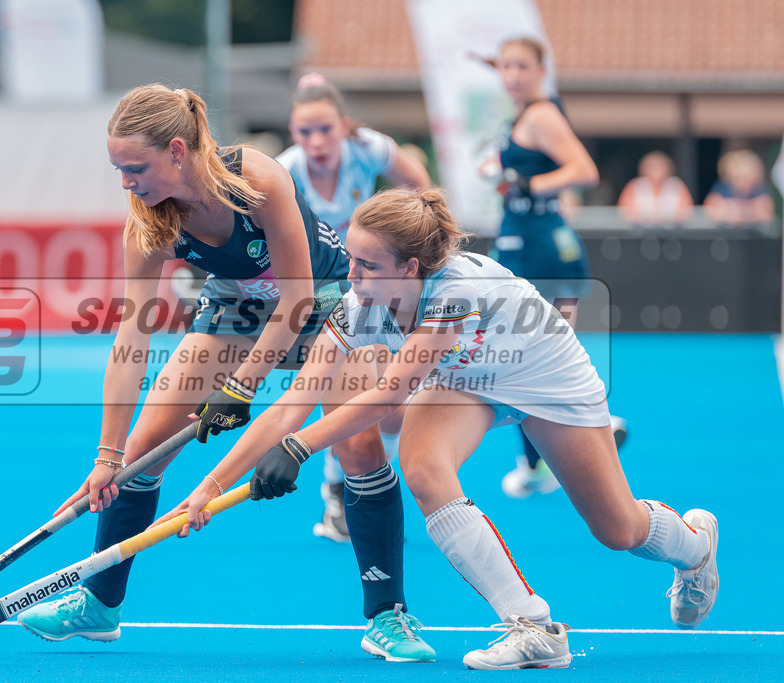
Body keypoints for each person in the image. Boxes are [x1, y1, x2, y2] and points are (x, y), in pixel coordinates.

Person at [162, 187, 719, 670]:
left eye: (367, 266)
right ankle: (534, 627)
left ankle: (696, 546)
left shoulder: (453, 291)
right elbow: (294, 401)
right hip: (464, 380)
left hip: (543, 373)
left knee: (618, 530)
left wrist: (299, 447)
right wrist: (209, 487)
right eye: (351, 260)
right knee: (424, 467)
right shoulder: (359, 303)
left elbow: (390, 393)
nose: (351, 278)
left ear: (410, 268)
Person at [16, 84, 434, 663]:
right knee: (143, 449)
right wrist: (107, 456)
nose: (126, 183)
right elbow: (131, 340)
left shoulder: (257, 181)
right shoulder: (148, 224)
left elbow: (297, 300)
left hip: (324, 299)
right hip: (235, 307)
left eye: (136, 168)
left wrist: (242, 385)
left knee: (358, 445)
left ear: (177, 151)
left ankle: (388, 614)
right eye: (118, 170)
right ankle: (99, 604)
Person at [277, 72, 431, 541]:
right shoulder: (284, 172)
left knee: (393, 406)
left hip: (375, 282)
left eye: (325, 129)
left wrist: (407, 238)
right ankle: (338, 488)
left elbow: (419, 184)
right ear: (292, 132)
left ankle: (352, 481)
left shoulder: (370, 149)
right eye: (305, 131)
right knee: (353, 389)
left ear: (344, 125)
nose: (316, 141)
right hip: (324, 289)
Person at [483, 36, 626, 498]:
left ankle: (586, 430)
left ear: (542, 71)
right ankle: (539, 460)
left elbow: (584, 170)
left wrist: (525, 181)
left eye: (522, 66)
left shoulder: (541, 115)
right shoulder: (527, 113)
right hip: (537, 241)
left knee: (527, 356)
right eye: (505, 66)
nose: (512, 75)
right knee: (534, 356)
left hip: (537, 246)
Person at [617, 151, 694, 228]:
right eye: (651, 167)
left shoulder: (676, 185)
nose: (655, 171)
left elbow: (686, 212)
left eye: (659, 167)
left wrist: (662, 219)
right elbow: (625, 212)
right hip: (641, 231)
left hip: (671, 231)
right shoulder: (635, 185)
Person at [703, 149, 775, 228]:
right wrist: (749, 210)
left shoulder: (759, 188)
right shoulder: (723, 187)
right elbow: (711, 209)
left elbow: (765, 211)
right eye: (743, 177)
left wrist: (735, 210)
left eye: (751, 178)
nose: (747, 182)